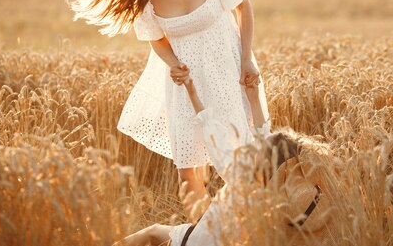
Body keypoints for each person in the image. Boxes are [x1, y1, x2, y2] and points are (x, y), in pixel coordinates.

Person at [65, 0, 270, 217]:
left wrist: (246, 61)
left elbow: (244, 7)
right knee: (189, 174)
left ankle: (256, 226)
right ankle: (204, 236)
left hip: (230, 72)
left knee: (246, 159)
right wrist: (173, 62)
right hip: (186, 87)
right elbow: (154, 37)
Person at [114, 77, 331, 246]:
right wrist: (253, 98)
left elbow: (211, 130)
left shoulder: (240, 177)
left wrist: (192, 92)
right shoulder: (278, 192)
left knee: (152, 232)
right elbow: (262, 133)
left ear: (264, 160)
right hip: (222, 239)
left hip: (200, 240)